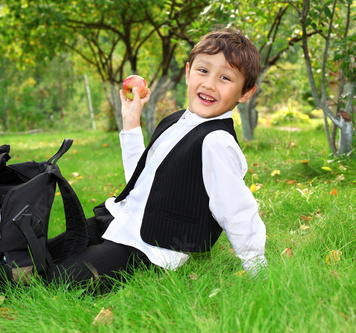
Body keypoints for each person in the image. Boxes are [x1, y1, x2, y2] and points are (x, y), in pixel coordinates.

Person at [46, 28, 267, 289]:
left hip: (148, 246)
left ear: (245, 93)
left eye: (225, 78)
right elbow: (141, 181)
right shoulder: (174, 121)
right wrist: (131, 122)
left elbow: (237, 210)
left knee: (57, 282)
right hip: (120, 220)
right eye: (203, 71)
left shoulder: (216, 142)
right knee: (38, 258)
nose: (209, 84)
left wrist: (257, 270)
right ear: (188, 72)